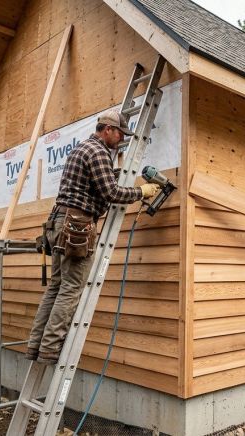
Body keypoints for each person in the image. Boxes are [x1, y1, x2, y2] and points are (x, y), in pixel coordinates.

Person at [26, 109, 160, 365]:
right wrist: (140, 191)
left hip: (58, 223)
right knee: (70, 288)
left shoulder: (81, 148)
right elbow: (110, 193)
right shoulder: (98, 151)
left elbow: (97, 187)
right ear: (107, 129)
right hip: (75, 226)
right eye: (120, 134)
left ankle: (37, 345)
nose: (122, 139)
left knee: (56, 287)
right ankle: (51, 348)